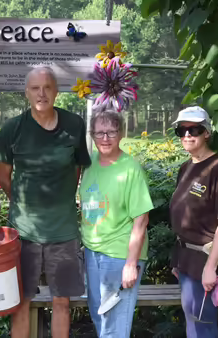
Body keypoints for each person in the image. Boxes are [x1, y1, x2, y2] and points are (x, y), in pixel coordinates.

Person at [0, 67, 92, 338]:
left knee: (61, 301)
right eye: (36, 88)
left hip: (64, 231)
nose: (42, 93)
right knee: (21, 302)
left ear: (56, 91)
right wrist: (25, 204)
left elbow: (76, 170)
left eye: (47, 87)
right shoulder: (12, 129)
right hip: (23, 233)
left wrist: (60, 200)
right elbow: (4, 177)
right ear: (27, 92)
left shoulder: (74, 125)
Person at [80, 110, 154, 338]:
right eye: (100, 132)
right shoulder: (90, 163)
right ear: (92, 135)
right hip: (93, 252)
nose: (105, 138)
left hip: (119, 256)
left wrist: (131, 264)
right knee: (100, 316)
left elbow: (141, 219)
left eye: (111, 132)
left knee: (114, 326)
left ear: (121, 133)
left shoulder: (130, 169)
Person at [169, 106, 218, 338]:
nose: (187, 135)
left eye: (194, 129)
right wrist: (177, 261)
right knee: (193, 321)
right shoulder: (186, 168)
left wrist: (210, 267)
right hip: (187, 260)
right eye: (182, 130)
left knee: (203, 325)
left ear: (207, 132)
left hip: (206, 262)